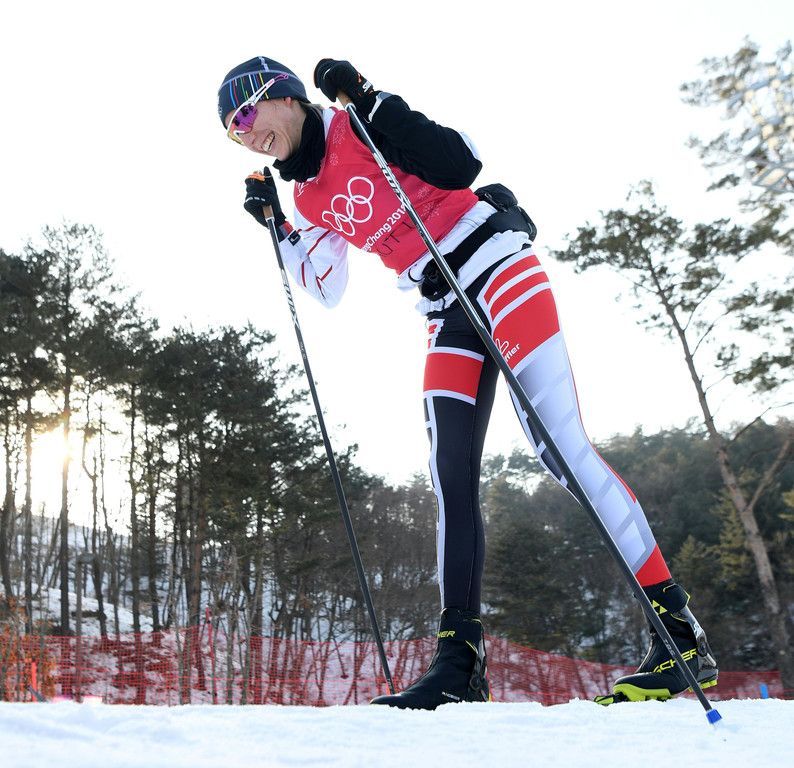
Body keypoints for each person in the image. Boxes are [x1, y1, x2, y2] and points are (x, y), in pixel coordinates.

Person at [217, 56, 718, 710]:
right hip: (444, 311)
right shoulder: (308, 197)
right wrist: (277, 226)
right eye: (232, 132)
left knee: (559, 448)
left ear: (284, 94)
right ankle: (459, 665)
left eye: (246, 114)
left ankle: (680, 637)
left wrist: (370, 100)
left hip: (497, 273)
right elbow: (326, 285)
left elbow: (461, 164)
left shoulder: (358, 120)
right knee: (449, 471)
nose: (246, 135)